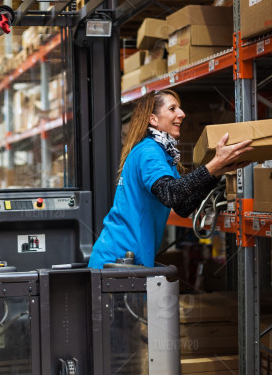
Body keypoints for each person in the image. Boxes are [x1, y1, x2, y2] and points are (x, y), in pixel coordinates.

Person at [88, 90, 254, 269]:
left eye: (180, 109)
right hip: (116, 261)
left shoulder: (161, 154)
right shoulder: (149, 152)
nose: (182, 114)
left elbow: (183, 206)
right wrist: (213, 165)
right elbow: (170, 194)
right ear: (153, 119)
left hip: (128, 260)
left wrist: (216, 173)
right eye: (172, 108)